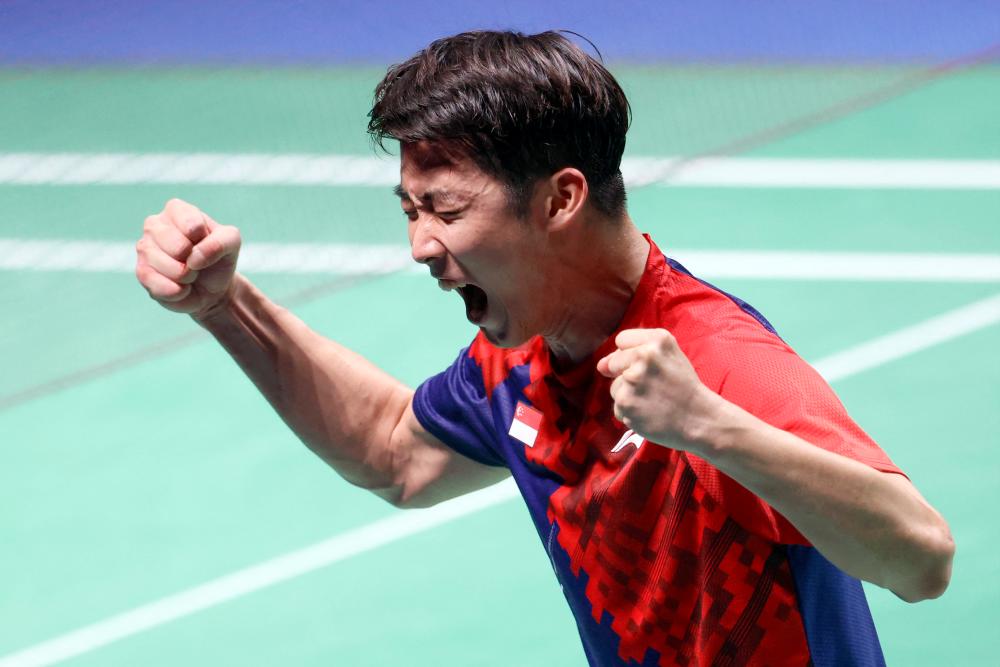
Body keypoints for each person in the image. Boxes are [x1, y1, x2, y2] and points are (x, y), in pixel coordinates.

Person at [134, 30, 954, 667]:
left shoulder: (715, 359)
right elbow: (394, 454)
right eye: (409, 209)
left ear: (561, 197)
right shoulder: (520, 354)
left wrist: (709, 426)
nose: (420, 245)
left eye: (445, 210)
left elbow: (921, 559)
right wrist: (227, 307)